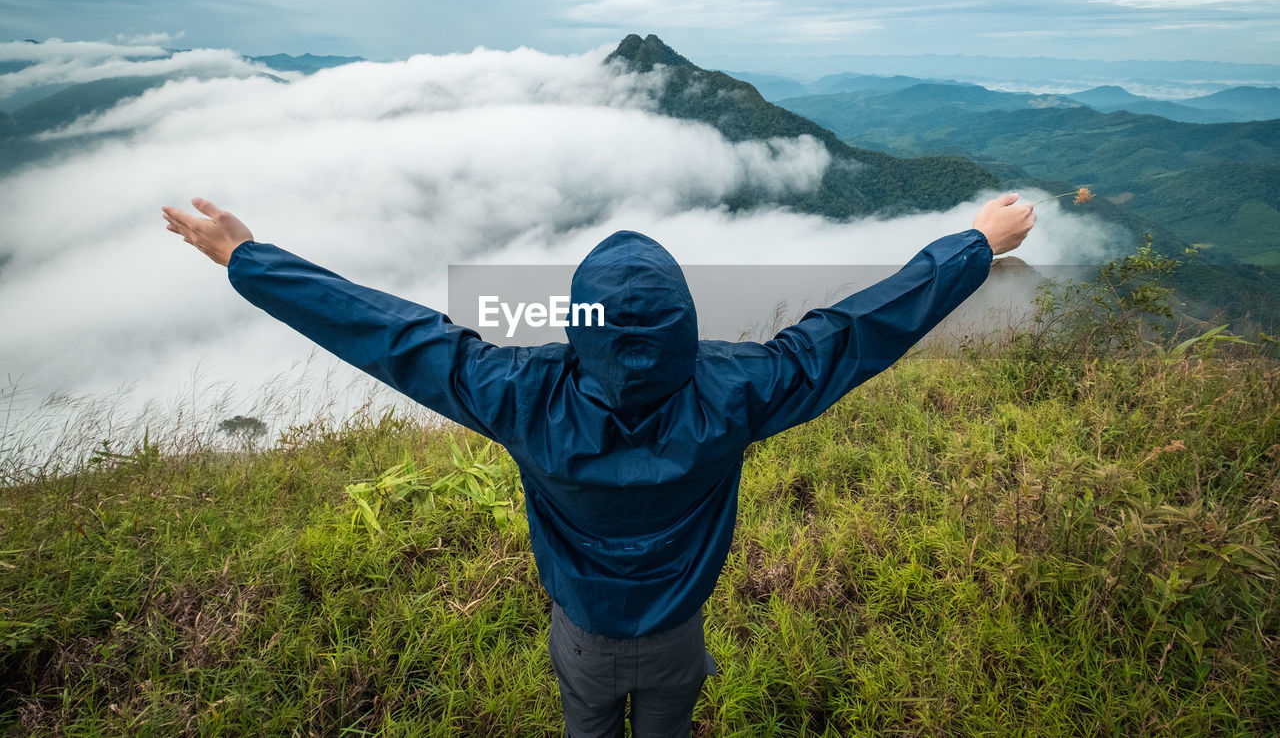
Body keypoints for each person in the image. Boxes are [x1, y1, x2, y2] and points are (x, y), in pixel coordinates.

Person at [162, 192, 1035, 737]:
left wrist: (249, 259)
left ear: (576, 324)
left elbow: (389, 334)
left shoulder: (518, 394)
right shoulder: (740, 390)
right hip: (678, 635)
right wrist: (973, 245)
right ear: (686, 324)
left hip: (581, 634)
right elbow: (855, 332)